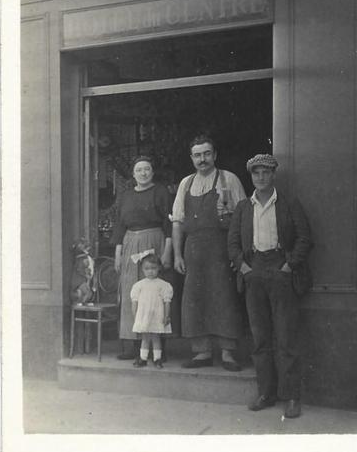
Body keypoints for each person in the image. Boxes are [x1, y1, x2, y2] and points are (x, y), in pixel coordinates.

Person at [228, 154, 313, 418]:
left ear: (273, 175)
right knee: (260, 338)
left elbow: (304, 238)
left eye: (266, 173)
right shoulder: (243, 207)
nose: (261, 177)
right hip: (254, 273)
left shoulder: (288, 204)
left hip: (281, 270)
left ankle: (291, 397)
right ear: (251, 177)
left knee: (286, 337)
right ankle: (266, 393)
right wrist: (244, 268)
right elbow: (232, 243)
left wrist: (288, 266)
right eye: (256, 173)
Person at [172, 135, 246, 371]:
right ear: (191, 158)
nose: (202, 159)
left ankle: (227, 353)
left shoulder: (229, 180)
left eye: (206, 154)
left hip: (221, 248)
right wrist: (177, 255)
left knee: (224, 297)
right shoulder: (186, 183)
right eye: (197, 155)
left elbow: (243, 218)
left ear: (214, 155)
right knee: (195, 298)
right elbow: (177, 222)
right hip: (193, 248)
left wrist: (239, 254)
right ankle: (201, 352)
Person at [111, 156, 173, 359]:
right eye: (139, 170)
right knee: (133, 292)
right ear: (133, 174)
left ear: (152, 172)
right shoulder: (126, 195)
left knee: (153, 294)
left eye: (147, 169)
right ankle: (132, 346)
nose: (143, 173)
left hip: (154, 240)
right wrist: (118, 253)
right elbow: (120, 224)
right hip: (130, 243)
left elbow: (169, 223)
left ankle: (156, 348)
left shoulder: (161, 192)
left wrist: (167, 251)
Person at [131, 253, 173, 368]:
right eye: (147, 269)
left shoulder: (163, 285)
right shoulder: (138, 285)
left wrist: (166, 316)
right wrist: (136, 317)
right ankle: (143, 358)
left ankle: (157, 358)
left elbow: (167, 302)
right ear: (142, 269)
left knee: (156, 338)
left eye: (153, 268)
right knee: (145, 338)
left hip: (157, 316)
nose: (150, 271)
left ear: (159, 268)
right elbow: (134, 303)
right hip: (144, 316)